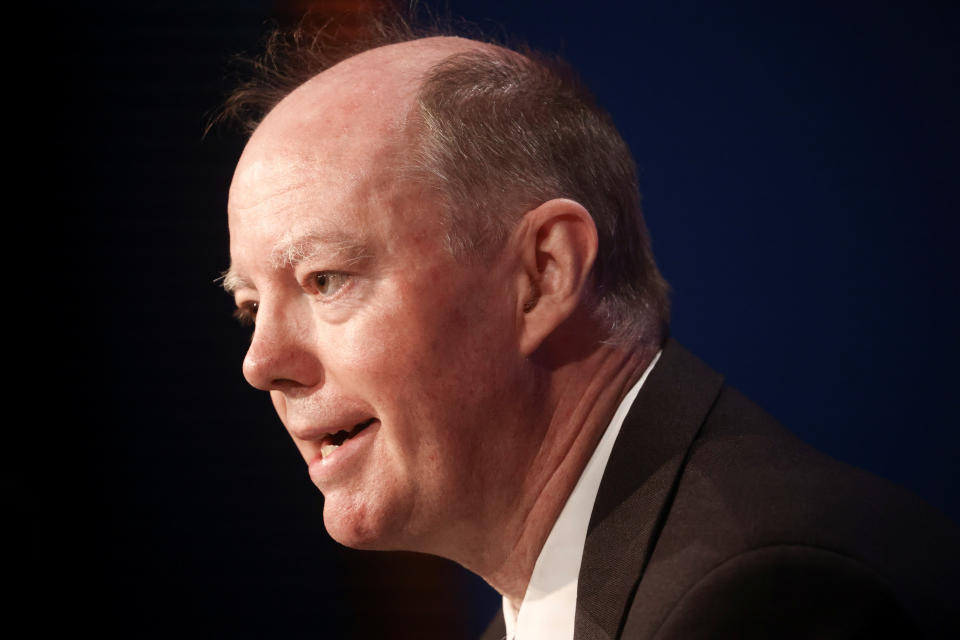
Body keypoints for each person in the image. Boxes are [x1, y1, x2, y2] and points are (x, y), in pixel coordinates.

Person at [219, 23, 957, 640]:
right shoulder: (546, 610)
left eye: (326, 279)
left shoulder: (767, 597)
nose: (262, 363)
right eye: (251, 305)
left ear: (544, 273)